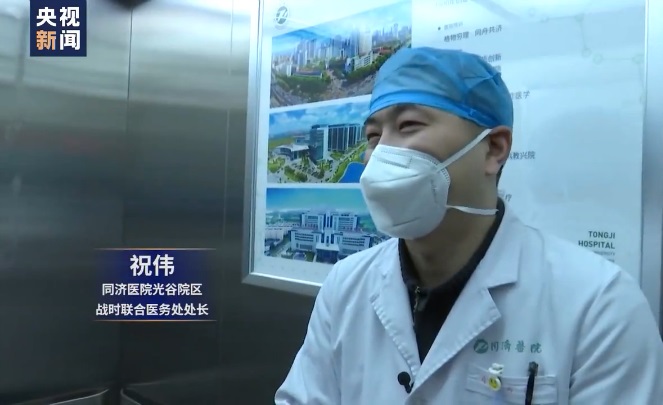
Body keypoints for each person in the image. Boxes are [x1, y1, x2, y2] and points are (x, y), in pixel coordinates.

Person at [274, 47, 663, 404]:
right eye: (374, 136)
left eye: (408, 125)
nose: (382, 152)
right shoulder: (347, 285)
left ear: (494, 148)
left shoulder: (598, 305)